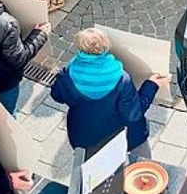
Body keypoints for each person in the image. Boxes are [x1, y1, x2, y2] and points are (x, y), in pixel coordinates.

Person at [50, 27, 168, 160]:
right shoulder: (122, 78)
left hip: (85, 138)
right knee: (141, 165)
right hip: (125, 137)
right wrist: (152, 85)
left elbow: (57, 95)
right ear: (106, 47)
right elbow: (133, 114)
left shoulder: (67, 74)